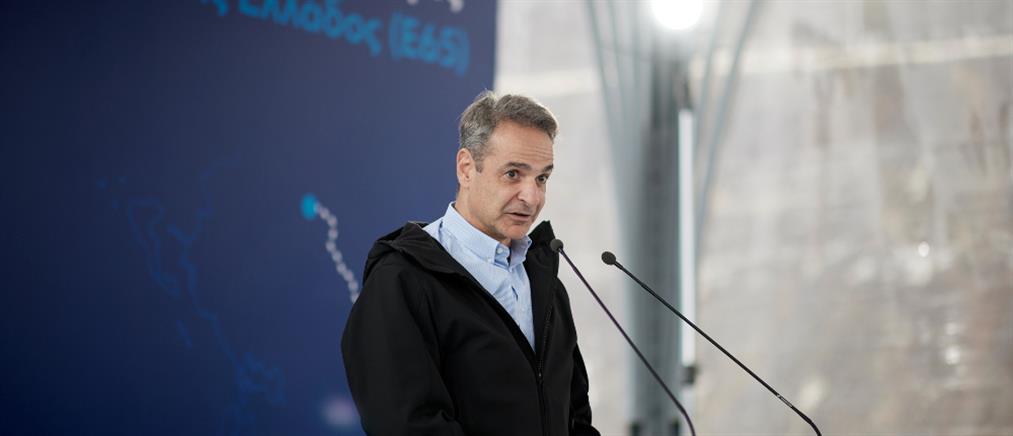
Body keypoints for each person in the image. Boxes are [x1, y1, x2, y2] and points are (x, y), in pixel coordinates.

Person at [341, 91, 601, 436]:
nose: (532, 197)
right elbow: (406, 425)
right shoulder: (401, 280)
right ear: (466, 168)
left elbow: (575, 416)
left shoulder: (544, 281)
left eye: (542, 178)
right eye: (513, 174)